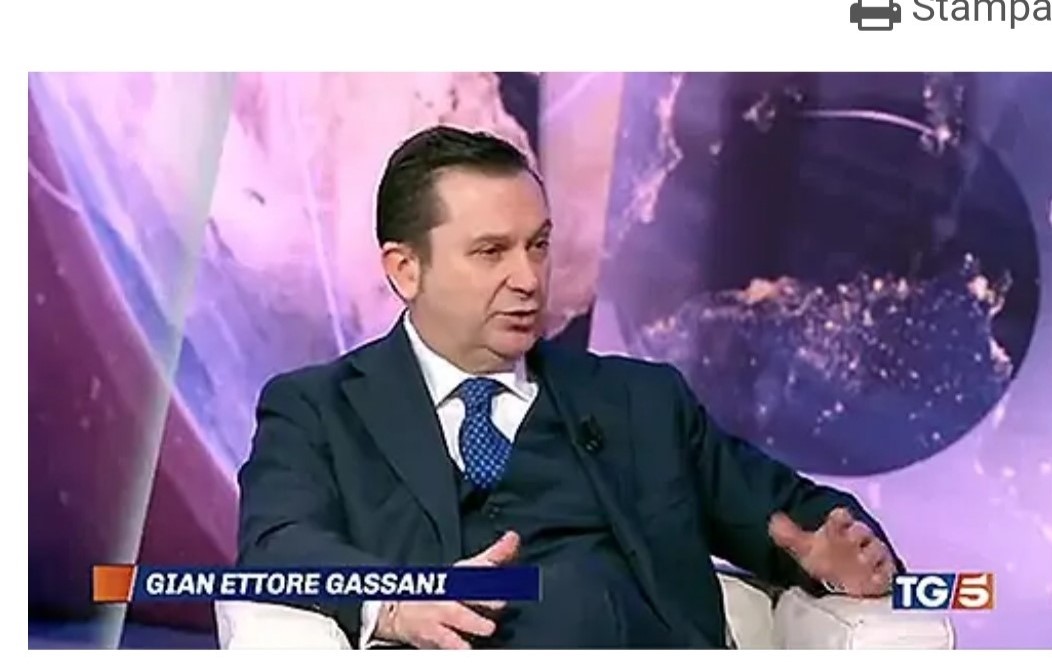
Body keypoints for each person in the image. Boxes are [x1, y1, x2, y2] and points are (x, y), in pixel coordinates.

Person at [237, 125, 904, 649]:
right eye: (491, 252)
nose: (528, 278)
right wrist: (397, 601)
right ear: (406, 269)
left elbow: (801, 518)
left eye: (539, 245)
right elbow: (276, 546)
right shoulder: (317, 410)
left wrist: (840, 556)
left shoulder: (643, 403)